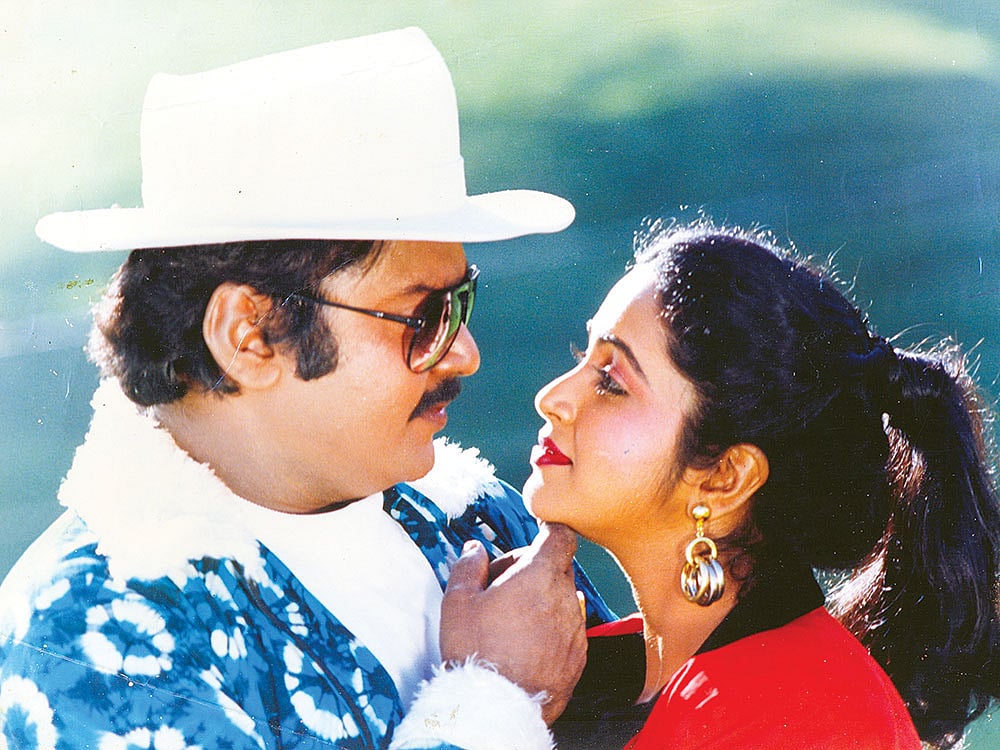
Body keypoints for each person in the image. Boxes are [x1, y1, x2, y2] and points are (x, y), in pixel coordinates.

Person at [0, 28, 611, 749]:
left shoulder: (474, 519)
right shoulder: (90, 639)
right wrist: (495, 698)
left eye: (461, 305)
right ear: (249, 334)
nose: (464, 354)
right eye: (422, 317)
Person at [397, 219, 999, 750]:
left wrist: (491, 695)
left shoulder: (804, 719)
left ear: (725, 476)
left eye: (611, 381)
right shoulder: (599, 668)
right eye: (583, 355)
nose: (553, 397)